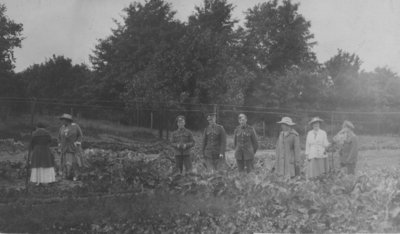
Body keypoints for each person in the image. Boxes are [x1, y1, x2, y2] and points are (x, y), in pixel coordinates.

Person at [58, 113, 86, 181]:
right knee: (64, 161)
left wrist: (77, 142)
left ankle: (76, 175)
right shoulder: (62, 127)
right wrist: (59, 144)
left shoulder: (75, 126)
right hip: (64, 148)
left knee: (75, 162)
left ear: (68, 120)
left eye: (63, 120)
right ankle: (66, 175)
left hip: (73, 147)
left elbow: (80, 135)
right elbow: (59, 137)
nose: (62, 121)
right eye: (62, 120)